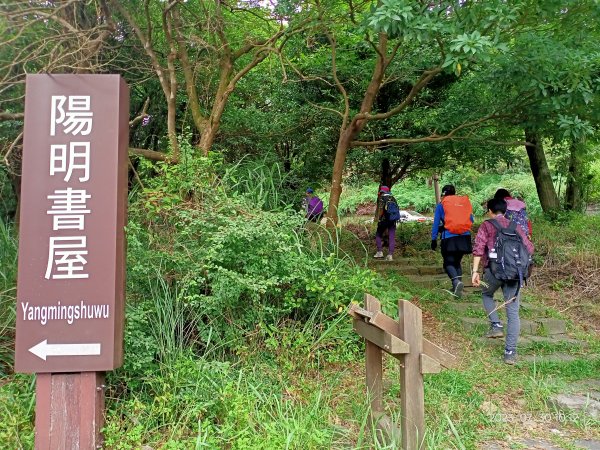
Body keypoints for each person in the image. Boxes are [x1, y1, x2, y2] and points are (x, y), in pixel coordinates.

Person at [471, 198, 534, 365]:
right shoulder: (516, 226)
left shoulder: (487, 225)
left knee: (486, 294)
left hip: (494, 272)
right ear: (505, 211)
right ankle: (510, 352)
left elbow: (478, 248)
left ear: (490, 210)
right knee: (513, 312)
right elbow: (529, 248)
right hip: (515, 274)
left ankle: (496, 325)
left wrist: (475, 272)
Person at [430, 184, 473, 297]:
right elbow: (471, 219)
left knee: (448, 263)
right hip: (464, 237)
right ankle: (457, 289)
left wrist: (433, 239)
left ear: (443, 194)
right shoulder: (463, 203)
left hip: (449, 237)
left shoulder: (442, 205)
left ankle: (456, 282)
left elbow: (435, 223)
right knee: (457, 262)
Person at [374, 186, 399, 261]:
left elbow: (381, 210)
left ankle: (379, 252)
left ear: (382, 191)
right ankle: (390, 255)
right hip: (392, 220)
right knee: (391, 237)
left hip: (384, 220)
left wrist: (379, 218)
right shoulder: (393, 198)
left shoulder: (382, 198)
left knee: (378, 234)